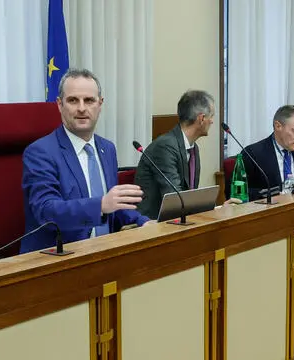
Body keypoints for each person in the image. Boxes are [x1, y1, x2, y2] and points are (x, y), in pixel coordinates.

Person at [22, 68, 152, 253]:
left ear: (100, 104)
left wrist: (143, 222)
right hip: (58, 261)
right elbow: (46, 212)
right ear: (60, 105)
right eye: (73, 100)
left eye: (89, 100)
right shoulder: (40, 152)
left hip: (106, 254)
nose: (82, 108)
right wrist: (100, 205)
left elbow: (112, 206)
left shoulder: (107, 149)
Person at [134, 90, 214, 219]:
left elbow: (189, 195)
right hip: (152, 223)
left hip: (178, 219)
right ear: (201, 118)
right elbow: (175, 197)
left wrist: (216, 209)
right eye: (211, 116)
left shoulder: (193, 148)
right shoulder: (165, 146)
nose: (212, 121)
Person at [242, 105, 294, 201]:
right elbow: (239, 192)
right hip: (268, 210)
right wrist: (272, 195)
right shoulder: (253, 153)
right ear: (278, 126)